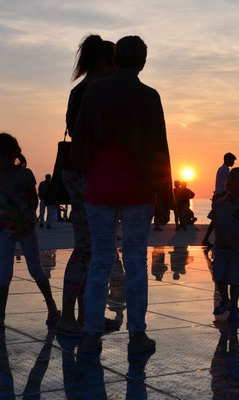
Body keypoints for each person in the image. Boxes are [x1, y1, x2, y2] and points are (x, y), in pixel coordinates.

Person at [72, 36, 173, 354]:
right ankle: (137, 335)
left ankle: (90, 335)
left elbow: (80, 141)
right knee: (135, 261)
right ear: (143, 62)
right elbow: (160, 148)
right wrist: (165, 199)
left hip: (100, 187)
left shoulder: (94, 91)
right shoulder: (149, 96)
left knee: (101, 261)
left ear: (115, 58)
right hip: (139, 190)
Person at [56, 35, 121, 337]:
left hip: (87, 174)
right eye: (113, 61)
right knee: (86, 249)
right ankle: (69, 316)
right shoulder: (93, 92)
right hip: (88, 175)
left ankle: (86, 316)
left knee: (91, 250)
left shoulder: (79, 91)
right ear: (101, 62)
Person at [0, 133, 59, 332]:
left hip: (26, 229)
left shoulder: (25, 174)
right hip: (4, 230)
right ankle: (0, 315)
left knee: (36, 269)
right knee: (5, 273)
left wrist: (31, 215)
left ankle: (51, 307)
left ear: (11, 155)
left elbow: (34, 199)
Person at [209, 168, 239, 322]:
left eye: (234, 178)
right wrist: (218, 239)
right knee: (219, 276)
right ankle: (224, 300)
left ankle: (234, 305)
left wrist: (238, 241)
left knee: (235, 280)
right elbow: (215, 222)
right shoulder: (219, 203)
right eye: (229, 177)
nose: (229, 180)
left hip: (237, 250)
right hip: (221, 248)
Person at [203, 153, 236, 247]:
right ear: (228, 160)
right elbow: (226, 185)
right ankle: (211, 239)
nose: (233, 162)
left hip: (220, 195)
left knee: (217, 220)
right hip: (221, 196)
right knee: (217, 219)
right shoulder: (225, 170)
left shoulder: (223, 169)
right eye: (232, 160)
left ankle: (211, 239)